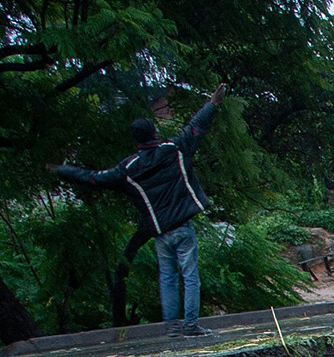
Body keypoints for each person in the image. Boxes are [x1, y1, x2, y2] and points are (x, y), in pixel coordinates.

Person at [52, 83, 229, 334]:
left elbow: (94, 178)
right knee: (190, 277)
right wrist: (213, 104)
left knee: (167, 278)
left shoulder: (128, 168)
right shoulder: (173, 150)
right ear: (155, 133)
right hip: (182, 227)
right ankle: (190, 325)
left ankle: (172, 330)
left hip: (159, 232)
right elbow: (196, 128)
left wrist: (64, 170)